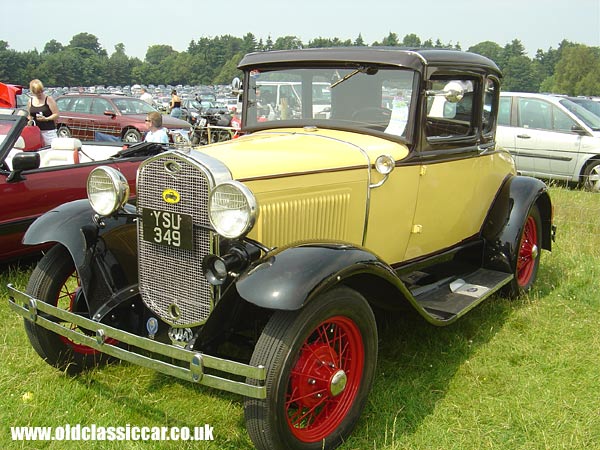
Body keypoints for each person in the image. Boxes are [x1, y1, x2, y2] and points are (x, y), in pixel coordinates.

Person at [28, 79, 59, 146]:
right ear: (33, 92)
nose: (40, 94)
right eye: (37, 92)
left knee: (52, 149)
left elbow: (56, 114)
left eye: (41, 91)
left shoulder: (49, 99)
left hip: (48, 131)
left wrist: (46, 118)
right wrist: (29, 122)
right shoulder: (30, 100)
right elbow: (30, 115)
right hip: (35, 131)